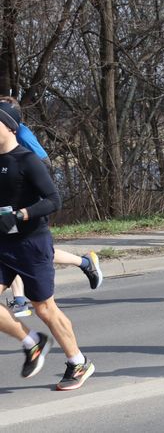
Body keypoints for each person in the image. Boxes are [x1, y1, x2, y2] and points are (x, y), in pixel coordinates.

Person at [0, 101, 94, 390]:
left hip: (31, 243)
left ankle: (78, 362)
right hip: (2, 243)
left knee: (44, 308)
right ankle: (32, 342)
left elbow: (54, 200)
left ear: (9, 127)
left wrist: (22, 214)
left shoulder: (27, 160)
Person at [0, 96, 102, 318]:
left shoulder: (22, 134)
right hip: (11, 201)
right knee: (20, 248)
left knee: (32, 249)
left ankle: (20, 301)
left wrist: (25, 196)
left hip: (30, 194)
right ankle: (85, 263)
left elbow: (42, 163)